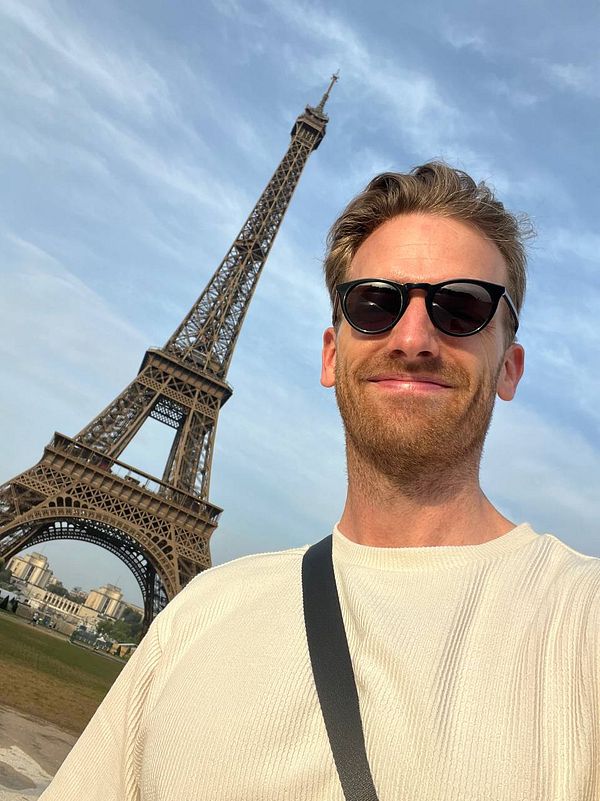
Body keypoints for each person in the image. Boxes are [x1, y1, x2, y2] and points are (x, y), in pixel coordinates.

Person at [41, 163, 599, 800]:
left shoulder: (583, 628)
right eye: (374, 303)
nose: (412, 337)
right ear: (332, 354)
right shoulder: (197, 616)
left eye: (463, 307)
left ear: (510, 368)